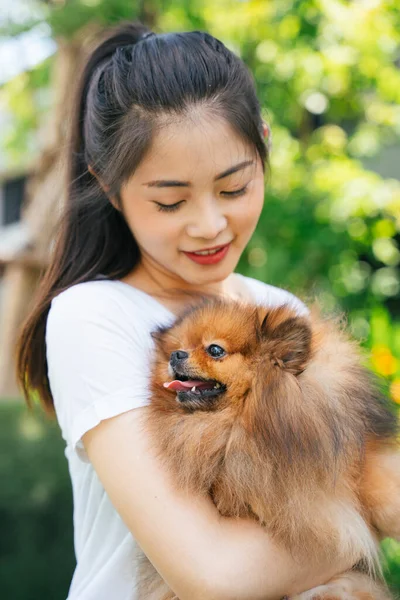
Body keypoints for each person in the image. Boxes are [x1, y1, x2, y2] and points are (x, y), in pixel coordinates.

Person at [16, 21, 356, 600]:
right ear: (109, 184)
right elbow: (212, 575)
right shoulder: (93, 316)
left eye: (233, 188)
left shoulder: (279, 312)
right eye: (170, 201)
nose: (209, 225)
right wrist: (357, 525)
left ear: (264, 146)